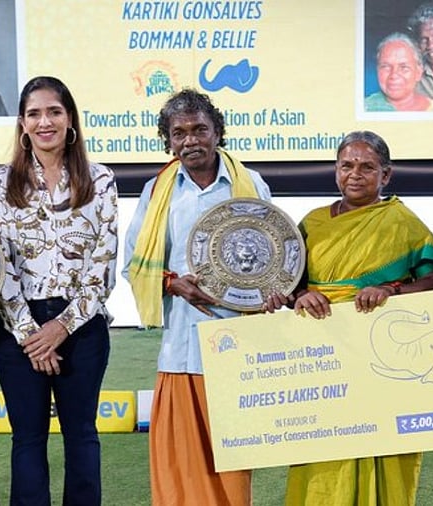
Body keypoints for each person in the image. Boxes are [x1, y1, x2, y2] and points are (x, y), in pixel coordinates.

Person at [123, 88, 284, 505]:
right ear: (168, 140)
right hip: (180, 350)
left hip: (236, 350)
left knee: (232, 469)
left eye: (199, 130)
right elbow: (133, 263)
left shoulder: (250, 185)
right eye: (179, 133)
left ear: (217, 133)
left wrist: (270, 293)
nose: (190, 140)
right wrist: (171, 282)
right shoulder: (159, 191)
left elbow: (275, 256)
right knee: (178, 471)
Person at [284, 130, 433, 506]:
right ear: (335, 171)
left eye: (367, 167)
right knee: (321, 444)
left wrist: (390, 292)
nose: (355, 174)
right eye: (346, 165)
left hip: (383, 353)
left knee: (386, 443)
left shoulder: (402, 221)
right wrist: (302, 295)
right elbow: (287, 283)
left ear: (386, 175)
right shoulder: (312, 223)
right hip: (321, 353)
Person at [0, 76, 118, 505]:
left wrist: (59, 329)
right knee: (27, 439)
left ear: (70, 118)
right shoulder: (0, 183)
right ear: (22, 124)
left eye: (54, 111)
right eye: (35, 113)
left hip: (81, 328)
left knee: (82, 437)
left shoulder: (101, 180)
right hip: (16, 332)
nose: (45, 122)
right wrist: (30, 335)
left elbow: (104, 265)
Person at [365, 33, 433, 112]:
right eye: (386, 66)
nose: (394, 75)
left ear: (418, 72)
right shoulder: (364, 108)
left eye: (404, 67)